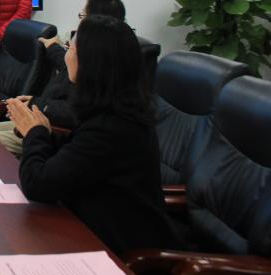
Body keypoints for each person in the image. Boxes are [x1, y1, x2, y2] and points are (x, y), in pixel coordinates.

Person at [9, 14, 176, 255]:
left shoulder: (110, 127)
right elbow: (76, 159)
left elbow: (37, 185)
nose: (66, 55)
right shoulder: (115, 108)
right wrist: (43, 131)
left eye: (70, 48)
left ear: (89, 63)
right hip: (89, 229)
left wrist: (35, 133)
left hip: (117, 252)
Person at [0, 0, 126, 156]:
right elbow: (65, 62)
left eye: (82, 16)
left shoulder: (102, 67)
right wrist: (52, 46)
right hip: (40, 119)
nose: (79, 22)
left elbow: (77, 111)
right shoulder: (96, 54)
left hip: (52, 132)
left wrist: (37, 105)